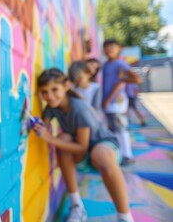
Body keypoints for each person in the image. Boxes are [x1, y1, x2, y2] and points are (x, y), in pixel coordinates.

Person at [32, 68, 133, 222]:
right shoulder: (52, 106)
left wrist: (49, 139)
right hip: (82, 152)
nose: (50, 96)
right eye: (44, 92)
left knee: (100, 154)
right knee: (64, 138)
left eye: (54, 90)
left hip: (103, 147)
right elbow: (44, 127)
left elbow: (82, 147)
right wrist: (35, 125)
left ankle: (125, 216)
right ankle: (77, 206)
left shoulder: (80, 108)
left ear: (66, 86)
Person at [101, 38, 142, 166]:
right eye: (106, 47)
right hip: (110, 103)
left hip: (116, 103)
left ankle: (127, 156)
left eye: (112, 46)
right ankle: (120, 154)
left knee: (121, 129)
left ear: (119, 49)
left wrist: (122, 80)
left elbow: (137, 79)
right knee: (114, 129)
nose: (109, 49)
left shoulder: (120, 64)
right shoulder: (106, 64)